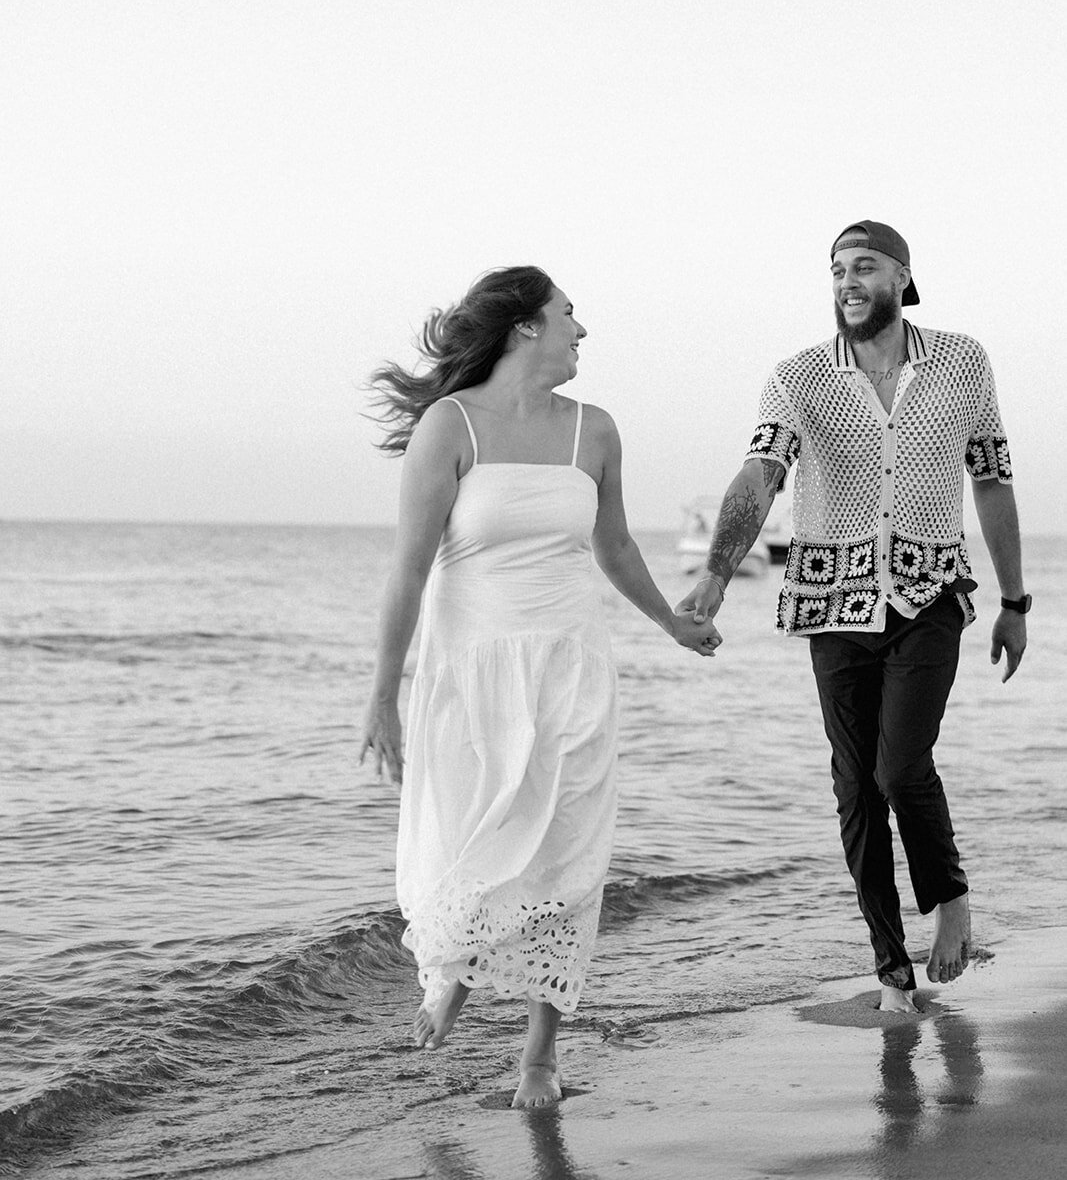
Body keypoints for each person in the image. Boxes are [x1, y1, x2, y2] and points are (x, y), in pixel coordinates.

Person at [361, 266, 718, 1106]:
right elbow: (408, 569)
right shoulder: (450, 426)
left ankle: (539, 1056)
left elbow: (615, 547)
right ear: (524, 325)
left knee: (566, 852)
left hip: (570, 666)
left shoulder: (594, 430)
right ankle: (453, 969)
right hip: (471, 672)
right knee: (473, 837)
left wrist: (669, 623)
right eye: (567, 314)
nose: (580, 330)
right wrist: (382, 694)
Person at [680, 221, 1028, 1013]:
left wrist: (1013, 602)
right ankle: (889, 968)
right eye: (835, 269)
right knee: (854, 786)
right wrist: (717, 572)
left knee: (898, 766)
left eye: (862, 266)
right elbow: (760, 473)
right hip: (832, 602)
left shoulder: (962, 361)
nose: (845, 280)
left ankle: (949, 898)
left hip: (928, 592)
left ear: (901, 277)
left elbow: (992, 478)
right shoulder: (797, 376)